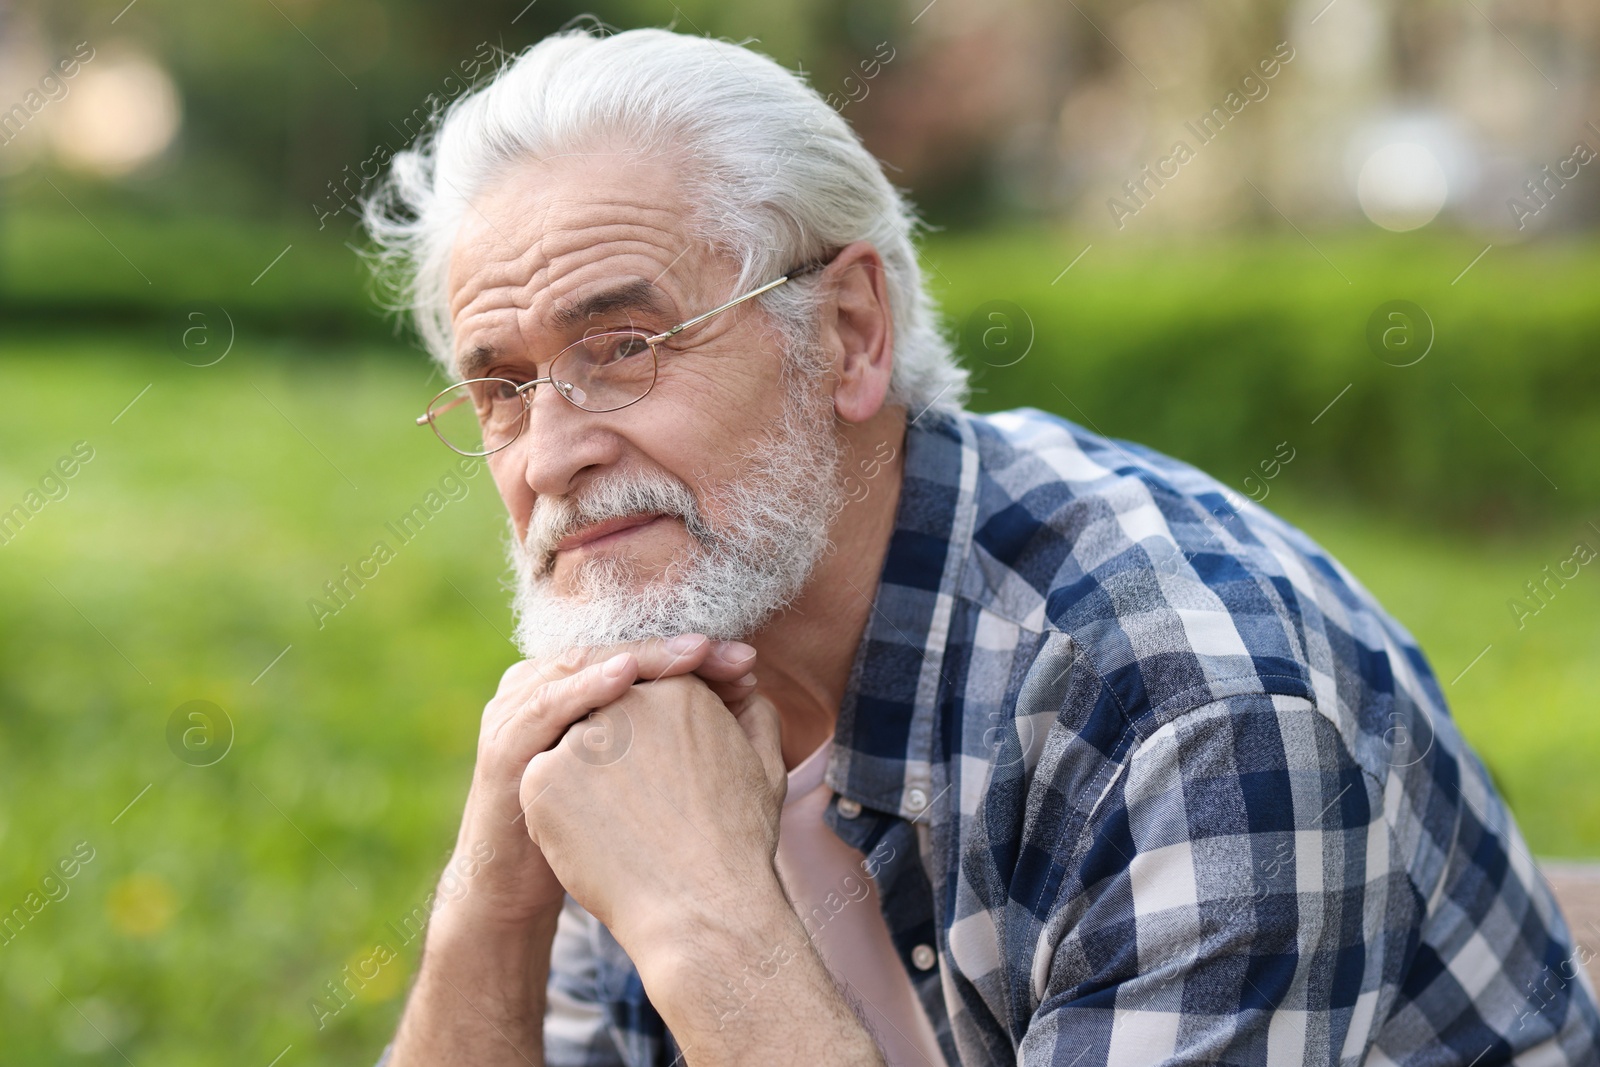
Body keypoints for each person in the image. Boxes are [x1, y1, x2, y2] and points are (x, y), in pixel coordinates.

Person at [363, 25, 1600, 1067]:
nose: (545, 455)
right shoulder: (660, 667)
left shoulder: (1192, 709)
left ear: (848, 333)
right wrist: (495, 899)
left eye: (624, 345)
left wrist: (705, 924)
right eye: (504, 389)